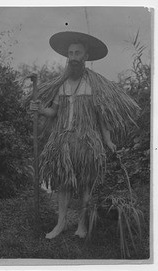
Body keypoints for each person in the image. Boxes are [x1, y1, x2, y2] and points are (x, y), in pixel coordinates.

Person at [30, 31, 139, 239]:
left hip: (87, 142)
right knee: (63, 183)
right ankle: (60, 223)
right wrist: (40, 110)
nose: (73, 56)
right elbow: (54, 112)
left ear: (85, 57)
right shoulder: (60, 84)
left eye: (77, 52)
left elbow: (103, 116)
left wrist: (107, 140)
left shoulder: (96, 85)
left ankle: (81, 224)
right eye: (70, 53)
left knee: (86, 184)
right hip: (62, 141)